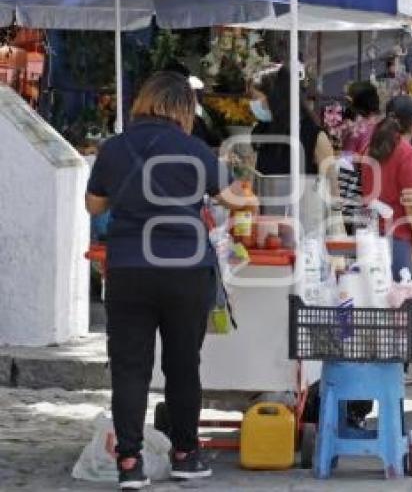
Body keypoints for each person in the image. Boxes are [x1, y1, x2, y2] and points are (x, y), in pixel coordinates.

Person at [85, 72, 250, 489]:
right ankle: (185, 455)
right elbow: (234, 199)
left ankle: (129, 463)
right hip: (185, 269)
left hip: (127, 269)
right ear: (182, 109)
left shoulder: (115, 147)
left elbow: (93, 205)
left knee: (129, 368)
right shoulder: (195, 150)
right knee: (182, 366)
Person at [250, 66, 336, 234]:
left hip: (306, 230)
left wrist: (335, 234)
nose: (252, 104)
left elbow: (332, 190)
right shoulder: (263, 132)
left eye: (255, 98)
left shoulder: (315, 136)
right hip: (267, 230)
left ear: (275, 97)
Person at [361, 95, 412, 280]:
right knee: (397, 303)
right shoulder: (411, 155)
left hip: (368, 238)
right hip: (397, 240)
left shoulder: (369, 149)